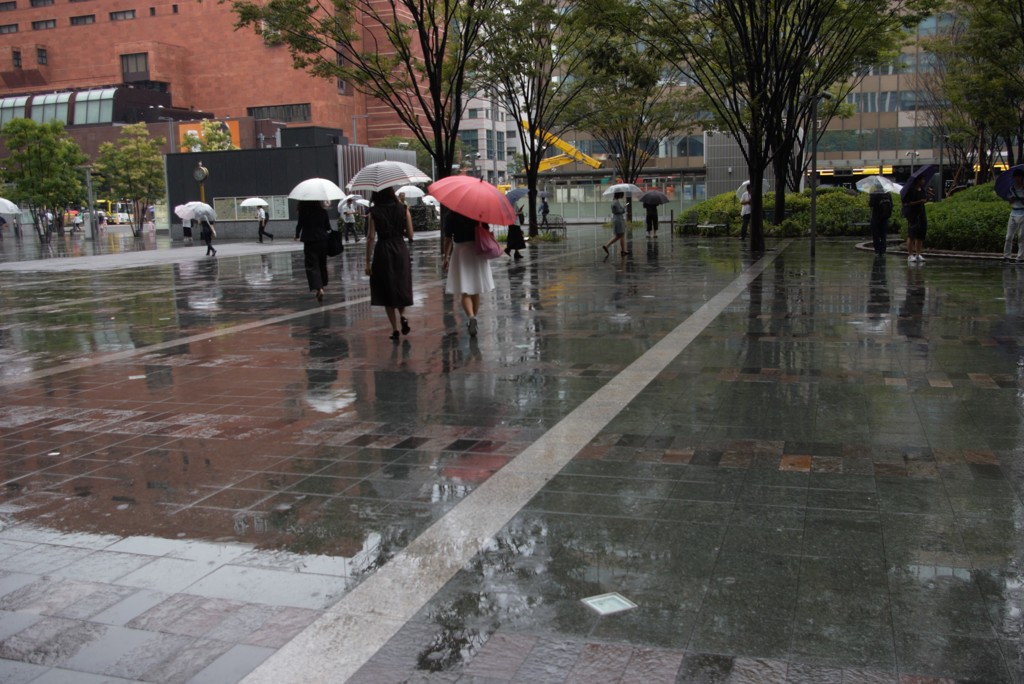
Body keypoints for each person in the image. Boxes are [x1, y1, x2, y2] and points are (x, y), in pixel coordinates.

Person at [365, 187, 414, 341]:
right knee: (400, 285)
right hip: (400, 249)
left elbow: (371, 238)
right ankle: (403, 315)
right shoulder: (403, 208)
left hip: (383, 250)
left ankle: (395, 330)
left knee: (387, 289)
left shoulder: (374, 212)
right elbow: (411, 234)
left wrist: (367, 261)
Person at [442, 209, 495, 337]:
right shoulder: (478, 212)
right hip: (477, 249)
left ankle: (471, 318)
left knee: (464, 290)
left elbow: (448, 237)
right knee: (475, 289)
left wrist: (446, 257)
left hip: (461, 251)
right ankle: (473, 318)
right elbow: (486, 230)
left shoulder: (451, 215)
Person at [294, 200, 331, 302]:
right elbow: (328, 227)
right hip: (323, 240)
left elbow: (299, 225)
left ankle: (319, 288)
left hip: (309, 241)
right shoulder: (323, 211)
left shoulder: (304, 212)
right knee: (322, 264)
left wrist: (297, 235)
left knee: (312, 265)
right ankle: (322, 286)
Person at [902, 176, 930, 263]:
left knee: (920, 234)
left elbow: (924, 200)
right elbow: (907, 203)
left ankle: (918, 254)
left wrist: (927, 198)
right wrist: (919, 202)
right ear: (917, 180)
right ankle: (910, 255)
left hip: (921, 213)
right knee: (912, 234)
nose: (923, 181)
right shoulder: (910, 190)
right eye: (922, 179)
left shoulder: (922, 189)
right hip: (913, 214)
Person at [1002, 168, 1024, 263]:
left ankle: (1020, 258)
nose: (1017, 179)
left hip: (1023, 213)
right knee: (1008, 236)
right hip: (1013, 213)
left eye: (1019, 177)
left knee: (1021, 236)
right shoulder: (1012, 188)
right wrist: (1013, 199)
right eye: (1016, 177)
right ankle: (1007, 256)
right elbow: (1009, 202)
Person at [868, 182, 893, 255]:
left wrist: (870, 195)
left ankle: (877, 251)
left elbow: (870, 204)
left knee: (875, 235)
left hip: (876, 216)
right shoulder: (887, 194)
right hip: (885, 217)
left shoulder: (874, 194)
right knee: (883, 235)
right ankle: (883, 250)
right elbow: (892, 205)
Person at [602, 191, 629, 257]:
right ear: (619, 194)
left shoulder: (615, 201)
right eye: (622, 194)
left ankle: (622, 250)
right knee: (619, 235)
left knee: (621, 235)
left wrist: (622, 208)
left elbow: (616, 209)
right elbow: (617, 210)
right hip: (618, 220)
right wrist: (623, 209)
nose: (622, 196)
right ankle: (607, 246)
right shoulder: (615, 202)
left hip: (618, 219)